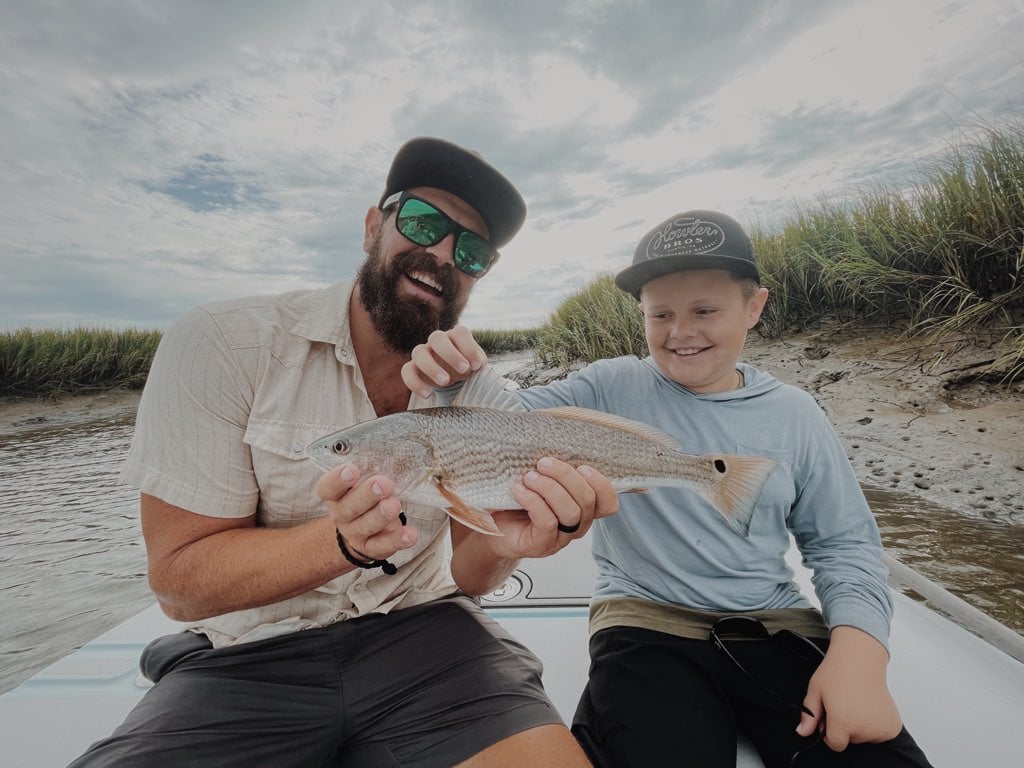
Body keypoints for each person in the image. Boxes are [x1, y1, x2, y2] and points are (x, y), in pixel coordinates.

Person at [69, 137, 619, 768]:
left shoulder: (482, 394)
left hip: (431, 636)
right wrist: (342, 543)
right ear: (370, 226)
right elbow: (178, 585)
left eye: (470, 250)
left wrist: (504, 543)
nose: (441, 254)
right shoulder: (223, 342)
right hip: (246, 658)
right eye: (422, 222)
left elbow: (468, 578)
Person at [402, 210, 934, 767]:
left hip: (774, 622)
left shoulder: (797, 414)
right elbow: (508, 417)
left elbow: (844, 545)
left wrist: (859, 656)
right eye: (661, 314)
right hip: (640, 621)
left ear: (754, 307)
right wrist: (456, 377)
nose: (681, 332)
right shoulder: (608, 384)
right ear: (642, 314)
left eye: (705, 310)